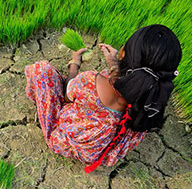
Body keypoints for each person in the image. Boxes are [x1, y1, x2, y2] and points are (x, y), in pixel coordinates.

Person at [24, 24, 182, 173]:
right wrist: (114, 65)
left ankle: (51, 130)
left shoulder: (89, 81)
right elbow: (130, 87)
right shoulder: (152, 96)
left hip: (72, 142)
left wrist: (74, 65)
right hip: (102, 149)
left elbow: (66, 96)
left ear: (122, 52)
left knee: (42, 70)